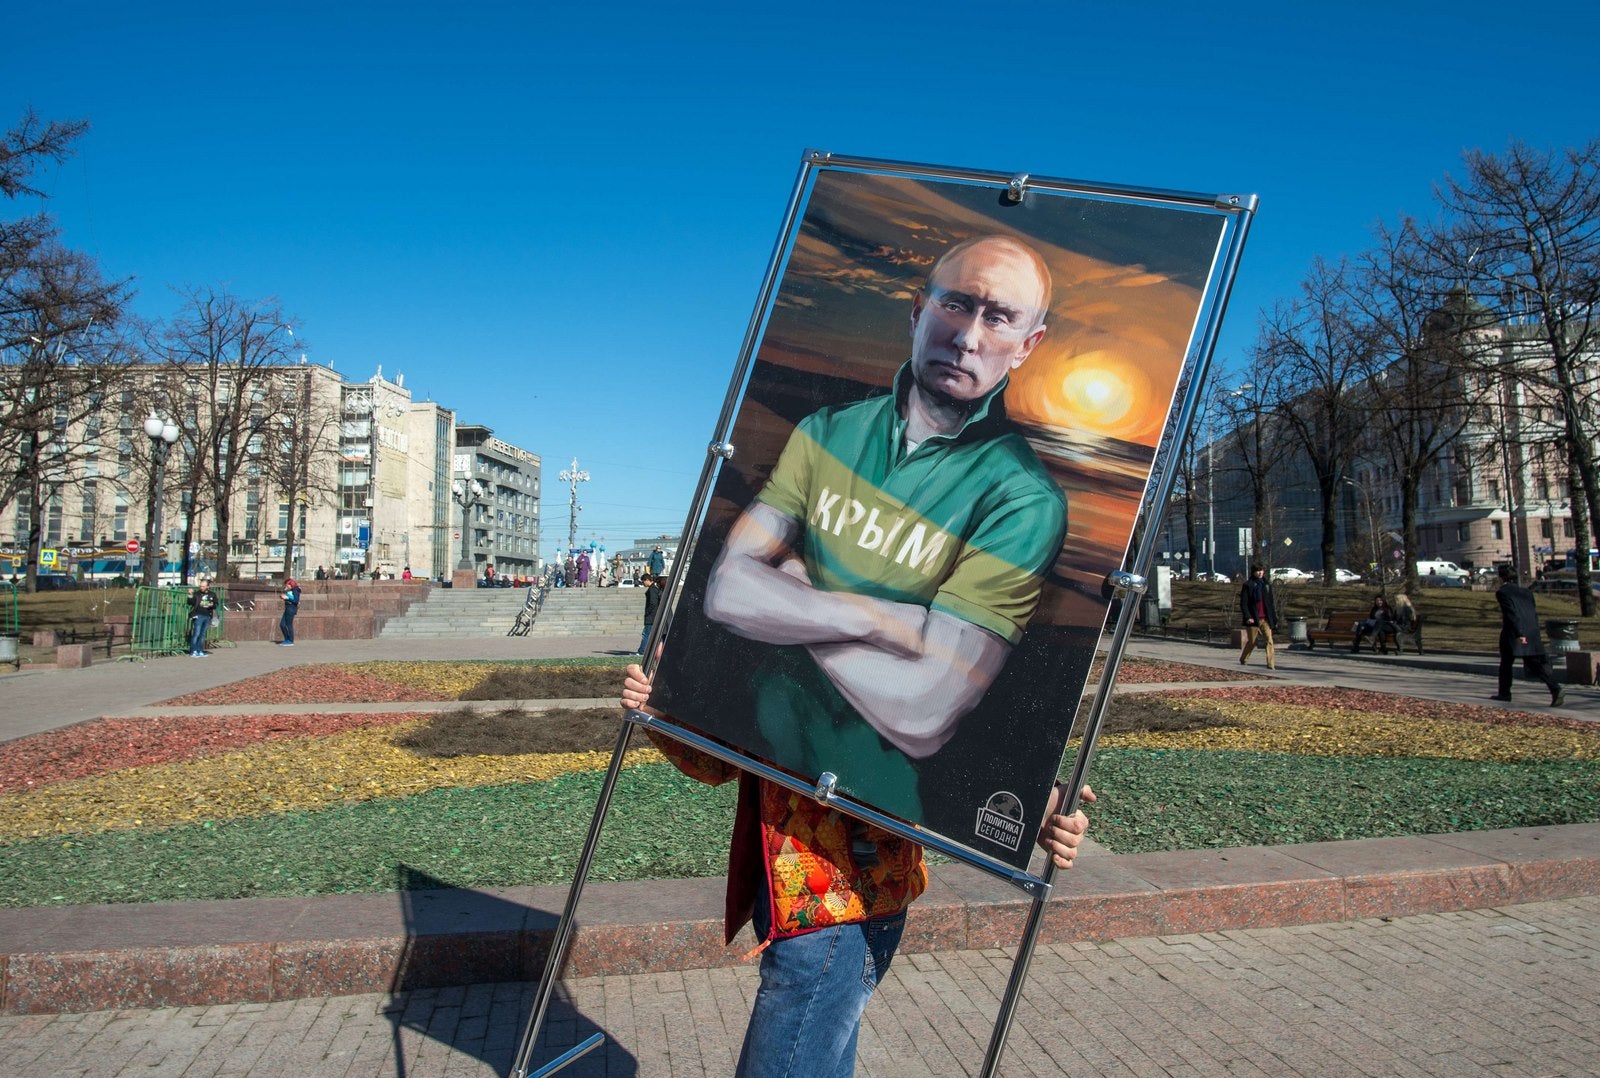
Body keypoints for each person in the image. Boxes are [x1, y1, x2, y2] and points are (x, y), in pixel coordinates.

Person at [701, 235, 1068, 822]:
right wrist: (881, 620)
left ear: (1028, 345)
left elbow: (924, 711)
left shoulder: (1023, 499)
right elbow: (726, 592)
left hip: (880, 826)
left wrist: (795, 596)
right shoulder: (826, 432)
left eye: (998, 318)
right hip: (770, 789)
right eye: (956, 305)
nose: (968, 337)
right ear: (918, 310)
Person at [621, 662, 1092, 1077]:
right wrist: (660, 711)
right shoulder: (777, 650)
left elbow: (961, 734)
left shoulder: (886, 643)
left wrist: (1042, 806)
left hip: (836, 915)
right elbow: (718, 760)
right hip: (802, 909)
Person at [1493, 565, 1565, 706]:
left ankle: (1505, 693)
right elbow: (1532, 613)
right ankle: (1554, 688)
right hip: (1531, 630)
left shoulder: (1503, 592)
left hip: (1513, 632)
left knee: (1506, 663)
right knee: (1533, 663)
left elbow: (1511, 614)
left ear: (1501, 577)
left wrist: (1519, 633)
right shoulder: (1526, 592)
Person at [1238, 564, 1277, 669]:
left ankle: (1270, 664)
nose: (1260, 573)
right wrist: (1248, 616)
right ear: (1253, 572)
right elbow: (1244, 603)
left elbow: (1270, 603)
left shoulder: (1267, 585)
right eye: (1257, 571)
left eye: (1262, 570)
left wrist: (1273, 617)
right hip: (1253, 619)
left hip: (1265, 618)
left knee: (1269, 640)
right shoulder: (1248, 585)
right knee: (1253, 642)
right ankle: (1244, 658)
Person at [188, 576, 217, 657]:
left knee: (202, 634)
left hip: (207, 616)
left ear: (207, 586)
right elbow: (190, 602)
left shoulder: (212, 594)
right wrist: (190, 594)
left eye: (203, 586)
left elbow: (215, 604)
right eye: (201, 586)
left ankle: (200, 650)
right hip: (198, 615)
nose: (201, 588)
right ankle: (193, 651)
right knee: (196, 633)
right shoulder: (197, 594)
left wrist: (211, 604)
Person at [639, 573, 664, 655]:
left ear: (647, 580)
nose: (643, 583)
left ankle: (642, 651)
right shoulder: (654, 588)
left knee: (646, 634)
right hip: (654, 616)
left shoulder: (652, 589)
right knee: (652, 634)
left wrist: (648, 612)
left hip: (651, 616)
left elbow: (653, 603)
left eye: (643, 581)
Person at [278, 577, 301, 646]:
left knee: (288, 625)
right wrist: (284, 595)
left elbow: (296, 601)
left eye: (287, 585)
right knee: (282, 624)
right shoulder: (290, 590)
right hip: (288, 608)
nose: (286, 586)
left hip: (291, 608)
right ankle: (287, 639)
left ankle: (290, 640)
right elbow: (288, 597)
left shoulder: (295, 590)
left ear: (290, 584)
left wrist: (287, 598)